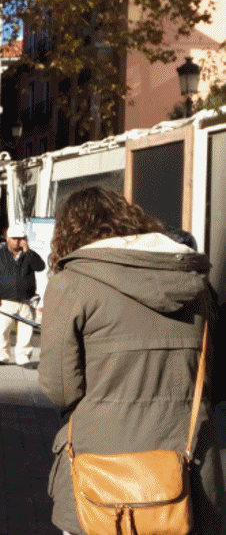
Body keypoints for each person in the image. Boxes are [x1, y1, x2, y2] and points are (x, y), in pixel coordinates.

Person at [38, 186, 223, 535]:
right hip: (187, 464)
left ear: (67, 233)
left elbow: (60, 387)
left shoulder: (72, 284)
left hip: (101, 469)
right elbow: (211, 374)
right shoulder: (195, 283)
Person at [0, 224, 45, 366]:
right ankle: (1, 357)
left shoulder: (29, 255)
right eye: (14, 238)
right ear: (7, 239)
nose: (17, 241)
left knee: (26, 331)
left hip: (26, 301)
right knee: (3, 330)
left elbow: (40, 267)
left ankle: (23, 358)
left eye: (20, 238)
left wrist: (27, 250)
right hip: (4, 300)